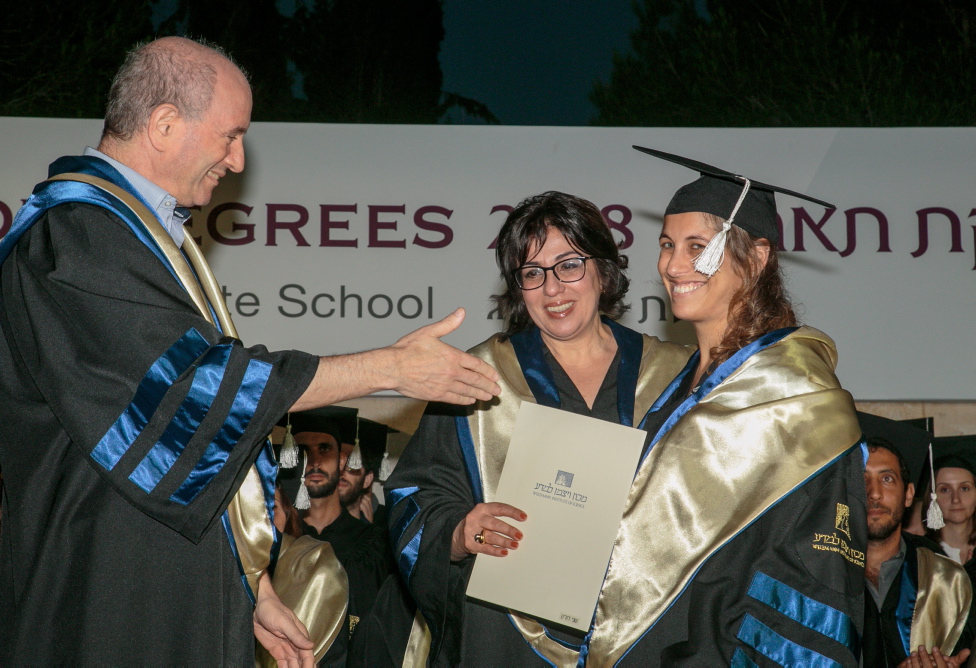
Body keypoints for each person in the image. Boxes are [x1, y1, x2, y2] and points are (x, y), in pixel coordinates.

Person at [0, 36, 499, 666]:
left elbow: (180, 447)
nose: (238, 159)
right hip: (104, 601)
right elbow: (199, 394)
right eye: (231, 135)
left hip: (155, 588)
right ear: (164, 125)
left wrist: (249, 585)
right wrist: (390, 369)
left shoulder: (131, 235)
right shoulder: (78, 236)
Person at [382, 191, 693, 665]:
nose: (552, 289)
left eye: (569, 265)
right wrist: (460, 532)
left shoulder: (678, 376)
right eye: (532, 273)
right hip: (510, 636)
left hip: (646, 628)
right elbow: (417, 496)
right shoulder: (477, 377)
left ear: (602, 270)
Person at [614, 147, 865, 666]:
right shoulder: (670, 388)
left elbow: (810, 579)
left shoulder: (798, 397)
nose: (673, 265)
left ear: (756, 257)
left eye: (697, 246)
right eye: (666, 245)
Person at [860, 433, 975, 667]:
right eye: (861, 479)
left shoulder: (947, 581)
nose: (874, 493)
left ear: (909, 494)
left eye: (887, 479)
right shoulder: (817, 579)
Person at [292, 409, 393, 638]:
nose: (314, 461)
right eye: (303, 451)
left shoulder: (373, 546)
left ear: (342, 461)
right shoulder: (278, 537)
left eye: (324, 449)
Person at [926, 436, 976, 566]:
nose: (956, 499)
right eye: (945, 489)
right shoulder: (920, 553)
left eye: (964, 488)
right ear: (932, 496)